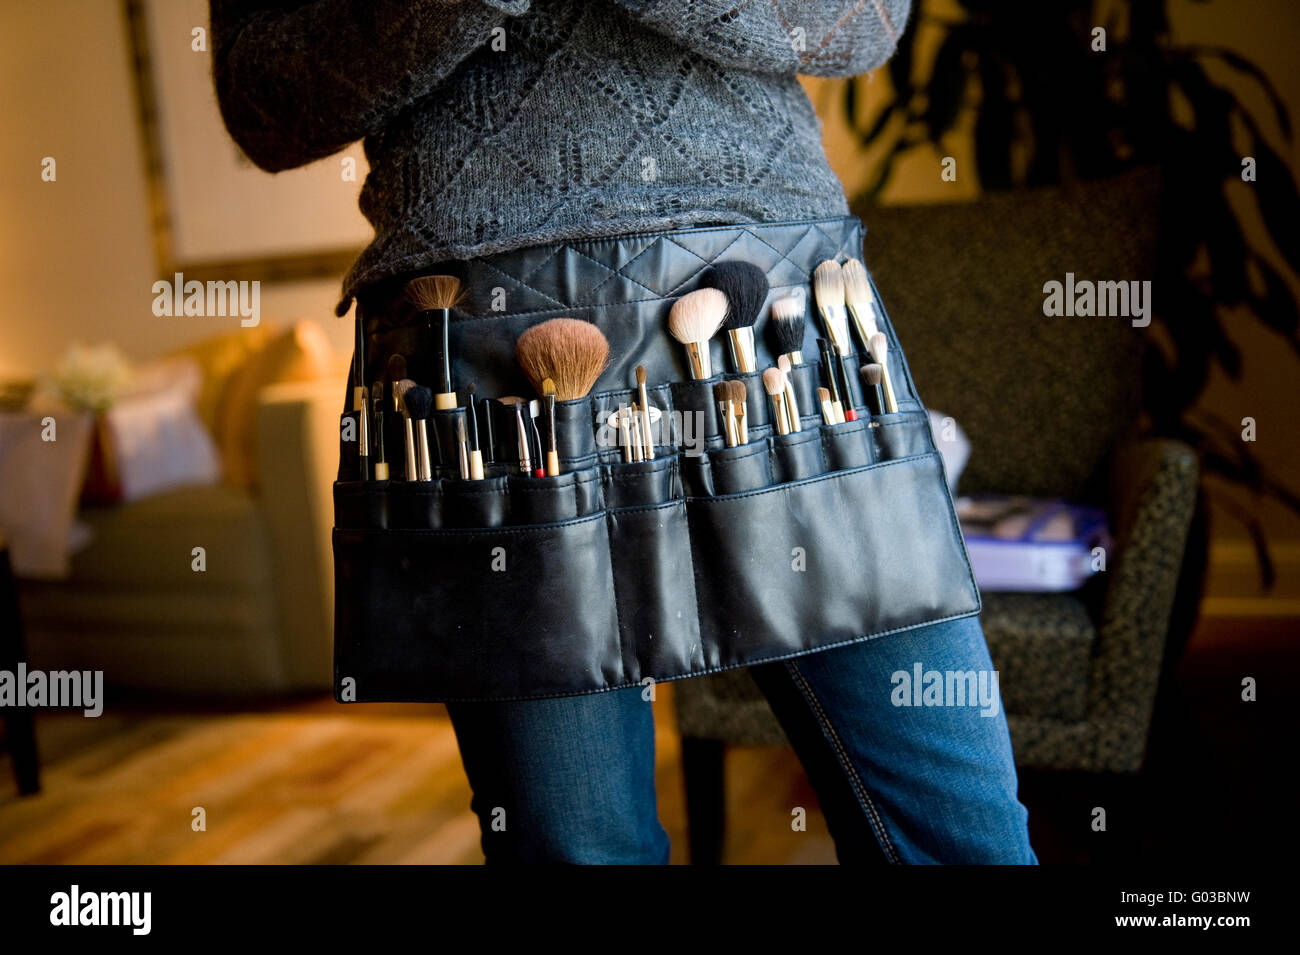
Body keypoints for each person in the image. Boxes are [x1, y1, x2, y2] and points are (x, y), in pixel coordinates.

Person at [211, 0, 1037, 864]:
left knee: (963, 834)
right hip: (486, 369)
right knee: (575, 846)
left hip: (783, 312)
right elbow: (266, 107)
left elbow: (862, 20)